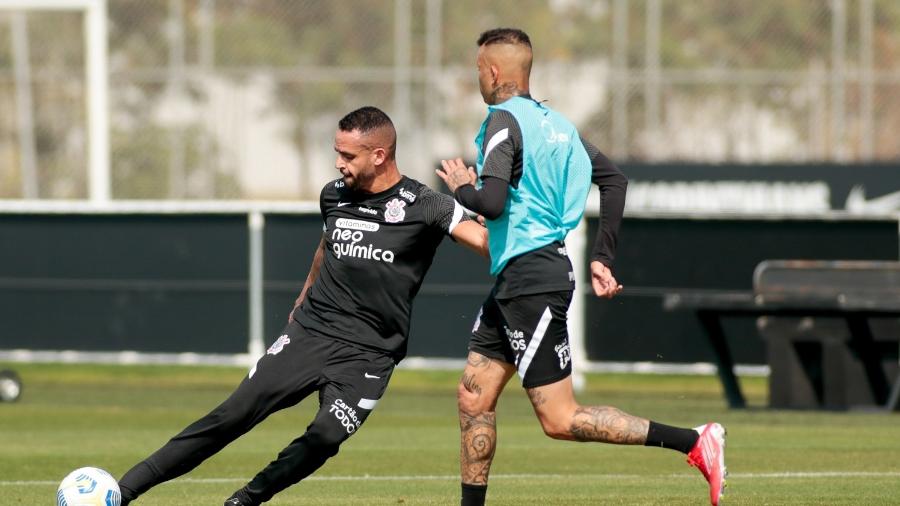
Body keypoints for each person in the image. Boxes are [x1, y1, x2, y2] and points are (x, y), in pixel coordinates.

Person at [117, 106, 489, 506]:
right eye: (337, 152)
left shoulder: (426, 204)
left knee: (325, 438)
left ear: (379, 155)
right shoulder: (334, 195)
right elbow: (327, 246)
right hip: (311, 334)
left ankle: (245, 500)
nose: (338, 163)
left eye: (348, 155)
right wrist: (302, 299)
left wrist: (470, 196)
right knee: (231, 416)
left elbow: (487, 243)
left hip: (371, 352)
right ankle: (123, 491)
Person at [436, 28, 727, 506]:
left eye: (477, 71)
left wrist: (462, 188)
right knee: (474, 397)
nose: (478, 79)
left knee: (560, 419)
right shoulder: (559, 127)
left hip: (531, 281)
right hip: (520, 278)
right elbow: (614, 179)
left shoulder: (502, 121)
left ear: (491, 71)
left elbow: (488, 202)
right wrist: (602, 257)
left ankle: (695, 441)